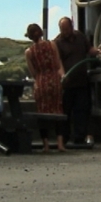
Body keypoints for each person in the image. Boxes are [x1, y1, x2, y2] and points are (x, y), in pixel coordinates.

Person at [54, 17, 101, 148]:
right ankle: (65, 138)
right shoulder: (57, 42)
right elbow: (58, 63)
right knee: (66, 112)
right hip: (67, 85)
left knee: (82, 110)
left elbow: (89, 49)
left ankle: (79, 138)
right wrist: (63, 75)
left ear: (72, 27)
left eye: (67, 29)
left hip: (81, 82)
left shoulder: (80, 37)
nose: (65, 32)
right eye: (62, 29)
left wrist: (97, 51)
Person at [24, 23, 66, 152]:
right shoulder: (51, 44)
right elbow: (58, 62)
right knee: (58, 110)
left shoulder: (29, 52)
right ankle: (60, 144)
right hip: (54, 80)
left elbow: (33, 72)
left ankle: (46, 145)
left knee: (42, 113)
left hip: (41, 82)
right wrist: (62, 76)